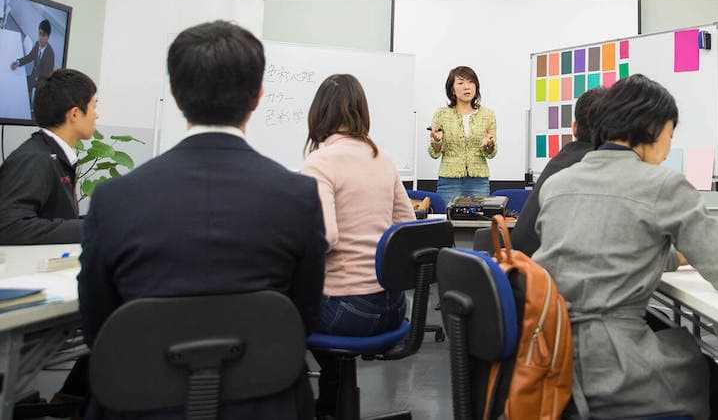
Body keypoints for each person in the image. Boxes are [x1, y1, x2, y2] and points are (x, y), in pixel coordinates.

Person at [78, 21, 327, 419]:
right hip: (267, 402)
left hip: (141, 404)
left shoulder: (114, 200)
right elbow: (304, 318)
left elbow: (98, 327)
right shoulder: (295, 196)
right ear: (258, 96)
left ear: (177, 96)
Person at [534, 74, 718, 419]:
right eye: (670, 134)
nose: (667, 149)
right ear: (653, 129)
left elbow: (597, 253)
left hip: (549, 356)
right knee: (711, 376)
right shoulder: (662, 184)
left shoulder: (558, 185)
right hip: (614, 367)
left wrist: (670, 258)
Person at [302, 74, 416, 418]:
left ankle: (324, 402)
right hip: (394, 308)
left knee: (283, 308)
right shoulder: (382, 159)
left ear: (318, 114)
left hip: (346, 313)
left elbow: (326, 237)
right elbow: (408, 227)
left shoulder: (319, 162)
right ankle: (333, 398)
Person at [0, 69, 97, 244]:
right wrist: (89, 228)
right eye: (93, 107)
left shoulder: (53, 155)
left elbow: (54, 216)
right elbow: (9, 226)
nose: (96, 115)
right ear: (75, 114)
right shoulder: (35, 159)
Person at [511, 86, 605, 256]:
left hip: (523, 267)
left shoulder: (562, 159)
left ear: (574, 128)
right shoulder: (598, 168)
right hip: (545, 273)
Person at [428, 66, 497, 201]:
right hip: (449, 181)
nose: (467, 87)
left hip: (478, 181)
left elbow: (491, 154)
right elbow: (434, 153)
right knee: (449, 220)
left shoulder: (488, 115)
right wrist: (437, 141)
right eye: (460, 83)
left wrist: (488, 145)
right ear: (452, 90)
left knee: (480, 220)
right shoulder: (441, 114)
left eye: (471, 82)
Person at [10, 18, 56, 106]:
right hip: (32, 78)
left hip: (39, 86)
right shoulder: (37, 44)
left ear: (48, 36)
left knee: (21, 97)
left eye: (43, 35)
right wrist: (18, 62)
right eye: (39, 34)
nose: (40, 37)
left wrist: (34, 90)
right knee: (15, 86)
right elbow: (30, 57)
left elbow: (47, 78)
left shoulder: (50, 54)